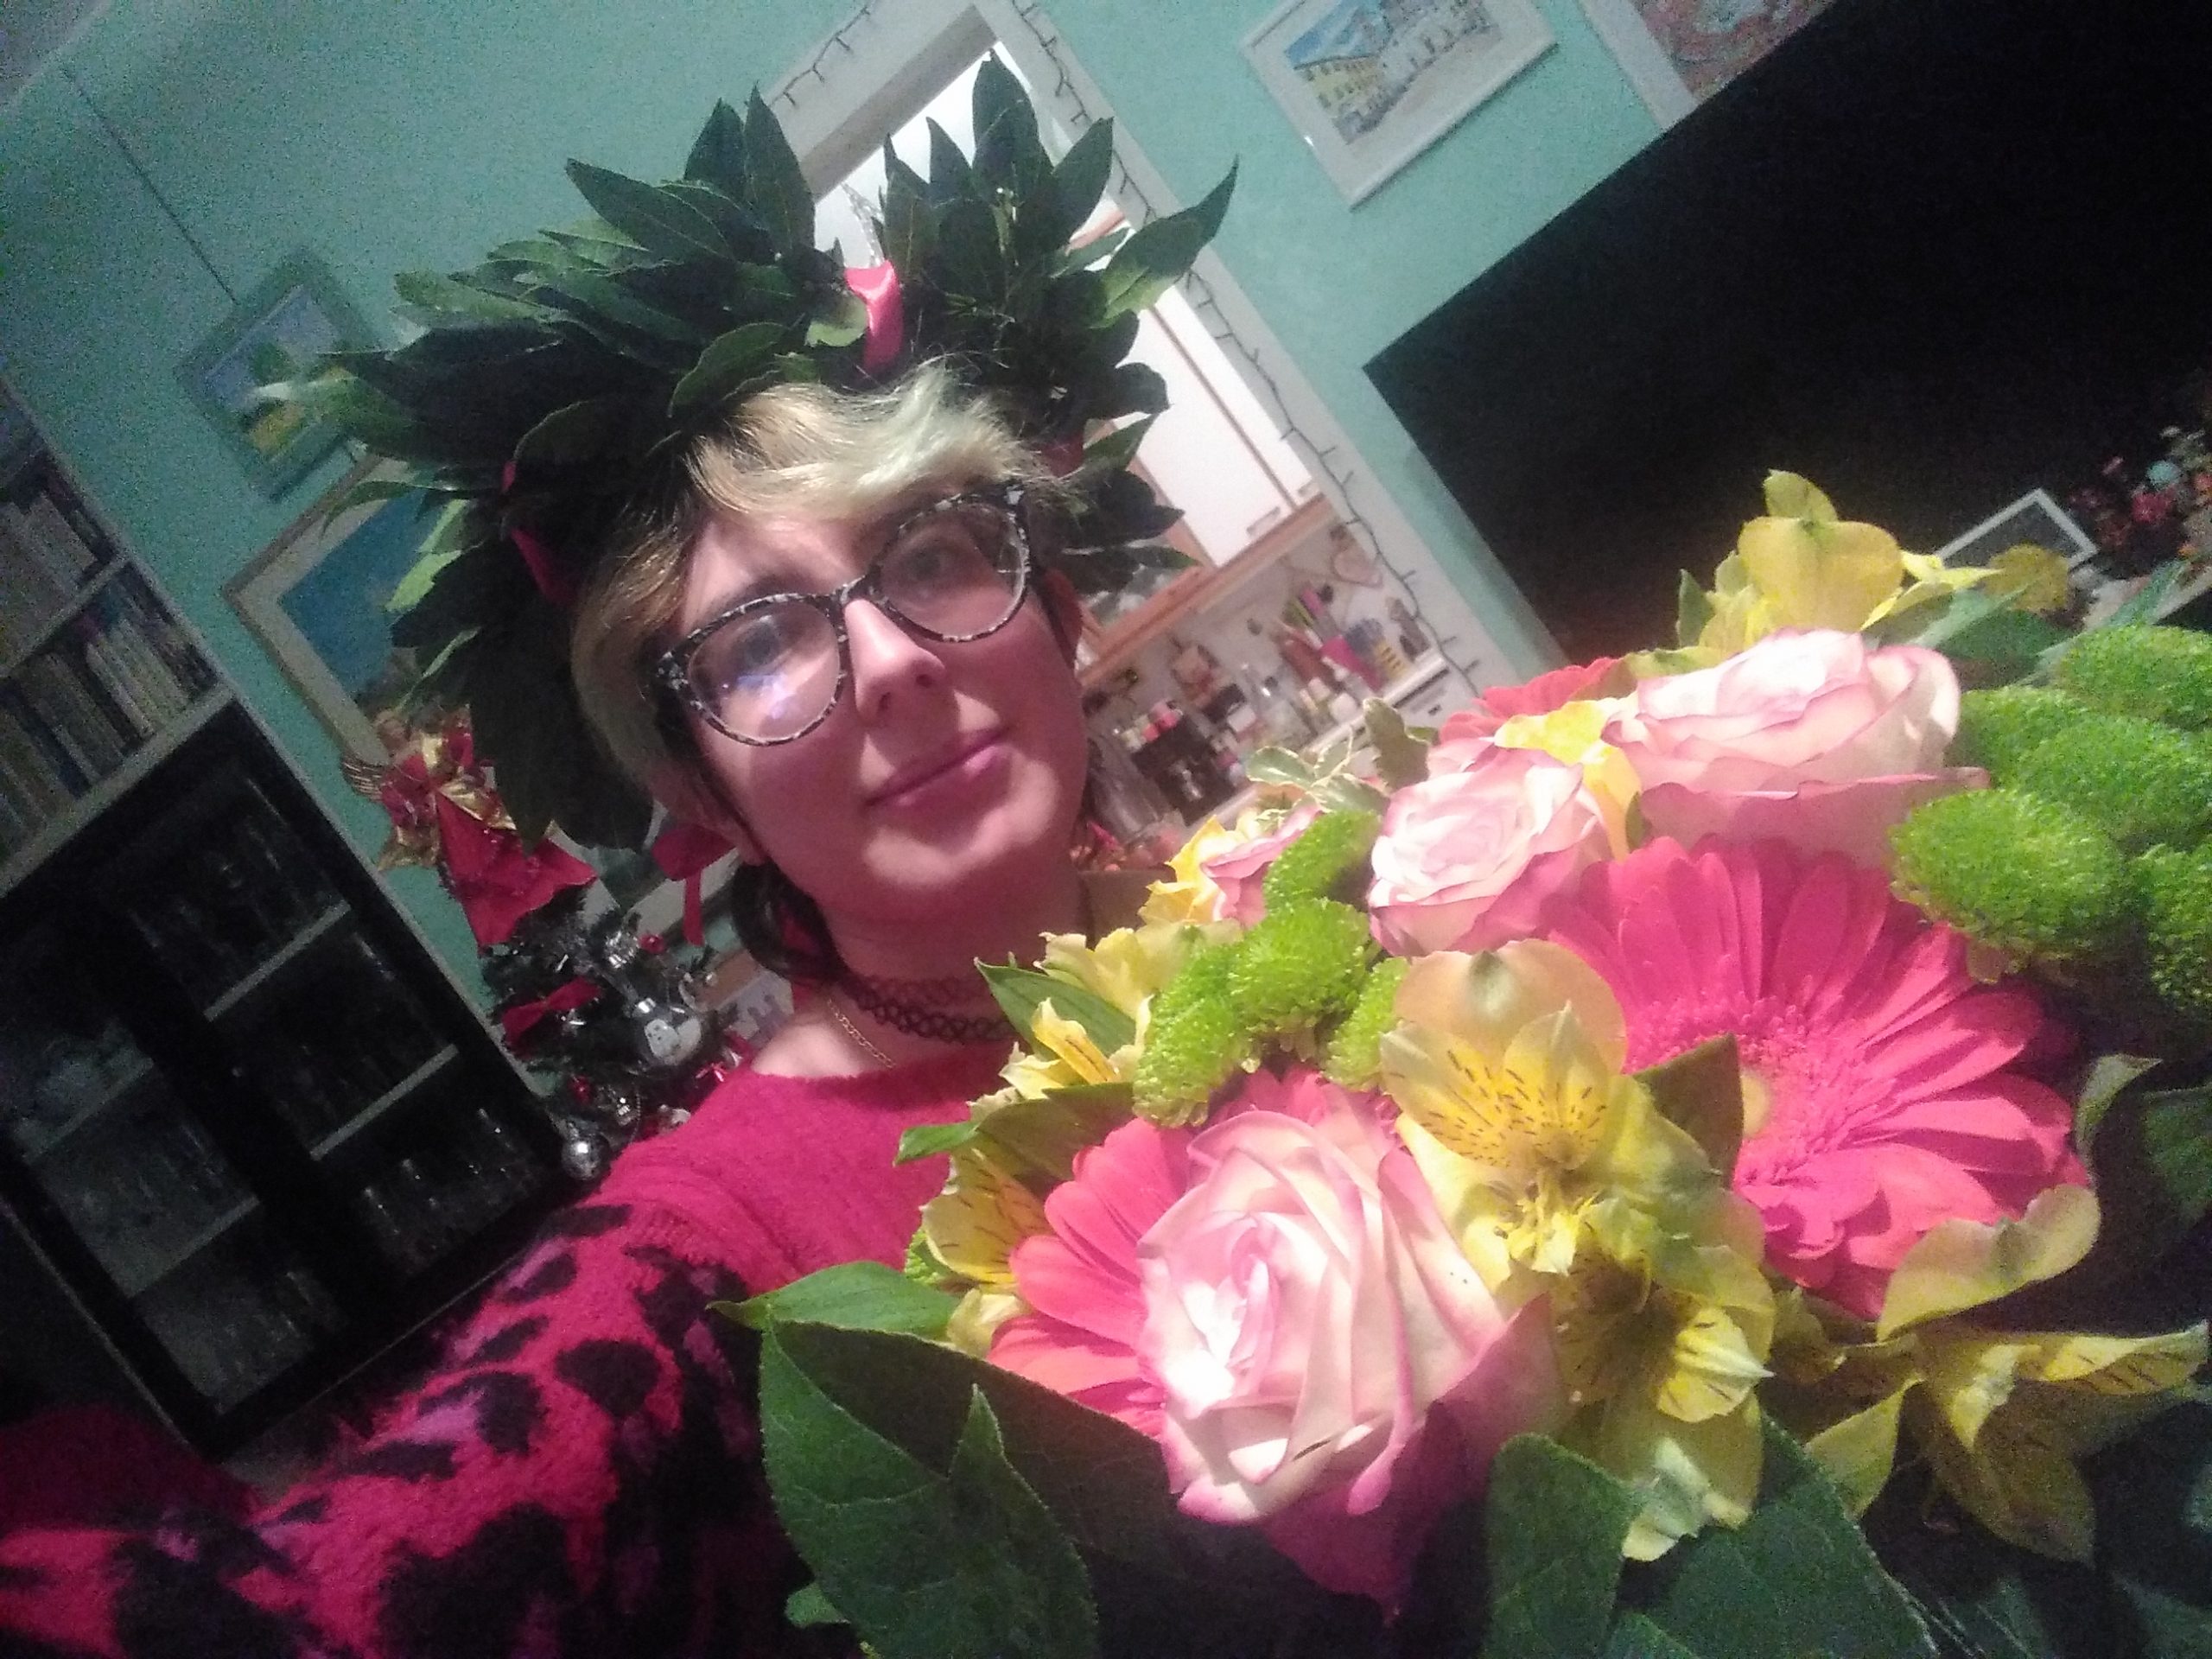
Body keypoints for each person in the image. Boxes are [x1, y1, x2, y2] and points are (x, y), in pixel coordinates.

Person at [0, 367, 1127, 1656]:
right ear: (705, 801)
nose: (892, 661)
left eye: (928, 557)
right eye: (759, 646)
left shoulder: (1275, 900)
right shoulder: (707, 1254)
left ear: (1050, 600)